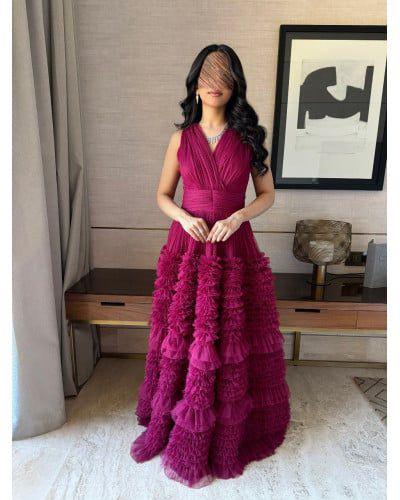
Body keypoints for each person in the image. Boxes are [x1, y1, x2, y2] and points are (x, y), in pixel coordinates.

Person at [130, 44, 291, 488]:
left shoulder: (249, 137)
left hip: (233, 245)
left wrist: (238, 217)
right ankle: (178, 421)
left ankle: (224, 431)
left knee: (230, 334)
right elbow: (163, 194)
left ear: (235, 83)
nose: (214, 82)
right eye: (207, 74)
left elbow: (267, 195)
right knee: (187, 335)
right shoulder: (181, 139)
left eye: (223, 74)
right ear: (195, 83)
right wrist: (184, 217)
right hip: (188, 245)